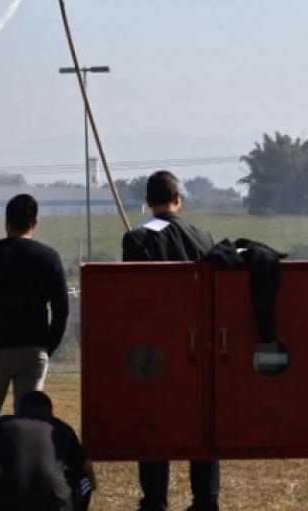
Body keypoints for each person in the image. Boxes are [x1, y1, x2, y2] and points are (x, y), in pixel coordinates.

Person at [122, 170, 219, 511]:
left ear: (147, 203)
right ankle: (206, 500)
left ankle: (155, 501)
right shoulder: (204, 237)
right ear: (179, 199)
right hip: (198, 347)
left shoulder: (137, 239)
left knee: (154, 421)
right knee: (202, 422)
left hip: (154, 349)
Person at [0, 194, 69, 435]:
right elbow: (61, 309)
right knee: (30, 419)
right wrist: (48, 345)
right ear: (34, 222)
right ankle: (25, 468)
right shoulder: (49, 257)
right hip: (33, 347)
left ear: (7, 221)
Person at [0, 390, 96, 511]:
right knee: (84, 481)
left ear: (18, 410)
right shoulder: (59, 427)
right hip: (55, 505)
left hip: (1, 505)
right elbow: (85, 467)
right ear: (49, 412)